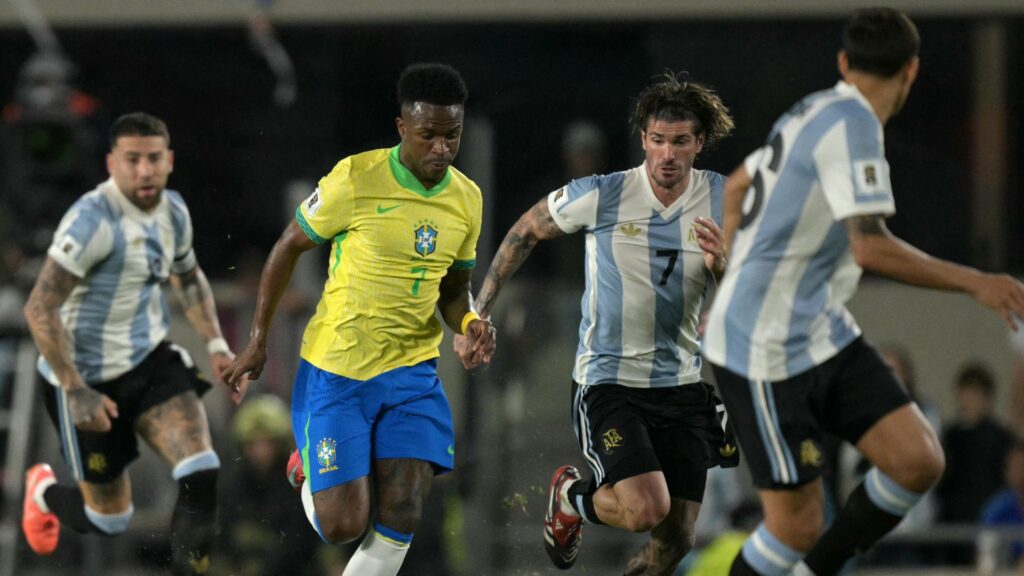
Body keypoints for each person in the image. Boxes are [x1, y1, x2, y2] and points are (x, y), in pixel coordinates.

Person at [704, 8, 1024, 575]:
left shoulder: (813, 110)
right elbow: (869, 248)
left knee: (918, 460)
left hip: (817, 328)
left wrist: (724, 281)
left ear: (845, 63)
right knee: (794, 525)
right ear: (912, 71)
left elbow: (736, 185)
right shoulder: (854, 127)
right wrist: (978, 282)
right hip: (762, 348)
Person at [457, 71, 737, 575]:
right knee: (645, 509)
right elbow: (525, 231)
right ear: (643, 140)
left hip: (683, 386)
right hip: (610, 385)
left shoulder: (723, 200)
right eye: (657, 141)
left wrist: (726, 267)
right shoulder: (604, 193)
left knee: (676, 540)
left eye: (679, 142)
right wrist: (479, 311)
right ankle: (572, 498)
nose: (667, 155)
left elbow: (747, 292)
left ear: (699, 143)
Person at [221, 63, 496, 576]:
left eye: (451, 136)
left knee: (406, 509)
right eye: (428, 135)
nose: (441, 148)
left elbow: (454, 289)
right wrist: (258, 339)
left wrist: (470, 322)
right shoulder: (355, 178)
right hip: (339, 371)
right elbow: (287, 248)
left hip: (412, 372)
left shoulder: (467, 200)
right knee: (345, 524)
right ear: (402, 128)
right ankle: (310, 471)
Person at [20, 112, 236, 575]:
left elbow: (189, 277)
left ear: (169, 161)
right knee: (108, 518)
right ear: (111, 163)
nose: (144, 170)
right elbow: (39, 308)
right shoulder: (91, 220)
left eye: (153, 158)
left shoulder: (174, 211)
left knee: (201, 469)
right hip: (85, 378)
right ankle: (42, 492)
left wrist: (216, 343)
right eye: (133, 159)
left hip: (149, 361)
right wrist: (76, 389)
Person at [937, 362, 1012, 524]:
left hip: (990, 518)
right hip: (953, 520)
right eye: (967, 393)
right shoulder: (951, 436)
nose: (971, 400)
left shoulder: (1001, 438)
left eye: (977, 394)